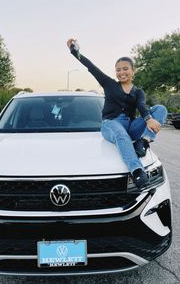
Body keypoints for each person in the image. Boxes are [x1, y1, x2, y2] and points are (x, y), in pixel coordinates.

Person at [67, 38, 167, 190]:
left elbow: (141, 106)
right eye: (118, 69)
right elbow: (91, 67)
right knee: (121, 135)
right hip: (111, 124)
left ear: (133, 70)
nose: (121, 72)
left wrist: (148, 119)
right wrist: (75, 51)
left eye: (125, 69)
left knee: (161, 109)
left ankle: (144, 142)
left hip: (131, 126)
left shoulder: (138, 92)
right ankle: (137, 171)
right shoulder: (109, 84)